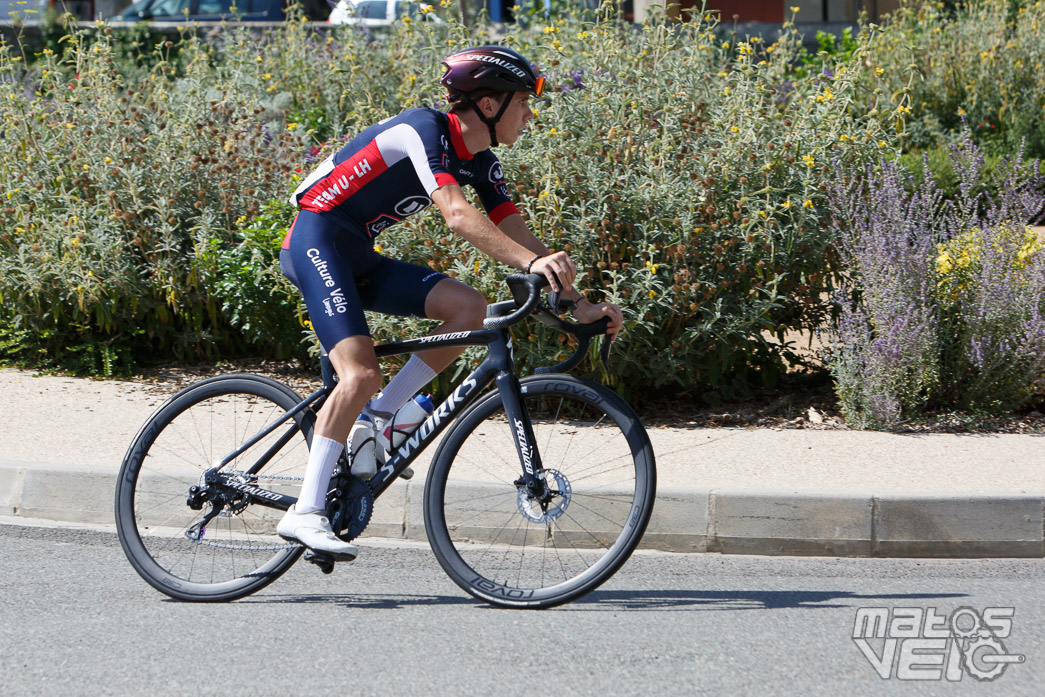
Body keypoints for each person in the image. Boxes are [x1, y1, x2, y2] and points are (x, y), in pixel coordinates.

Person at [275, 45, 623, 558]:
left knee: (469, 309)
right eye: (522, 102)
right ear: (488, 104)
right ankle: (304, 511)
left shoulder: (482, 160)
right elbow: (457, 215)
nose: (529, 114)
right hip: (315, 242)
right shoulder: (423, 130)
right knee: (359, 373)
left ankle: (381, 418)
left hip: (356, 255)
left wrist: (578, 304)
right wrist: (530, 266)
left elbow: (514, 229)